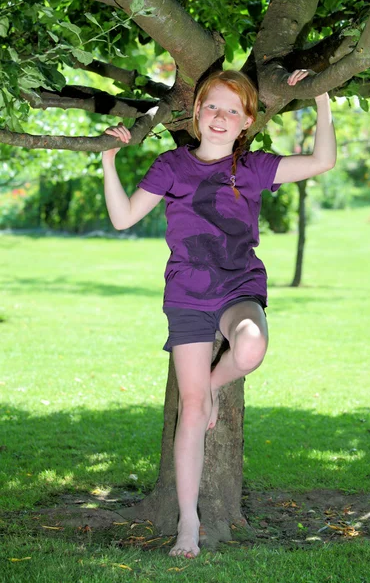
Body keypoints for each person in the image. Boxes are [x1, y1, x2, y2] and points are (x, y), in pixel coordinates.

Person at [102, 69, 336, 559]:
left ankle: (210, 384)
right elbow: (123, 217)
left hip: (238, 287)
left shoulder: (252, 167)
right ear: (197, 113)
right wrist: (108, 159)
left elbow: (322, 160)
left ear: (247, 121)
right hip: (187, 294)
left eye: (233, 110)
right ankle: (189, 522)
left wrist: (322, 97)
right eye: (213, 106)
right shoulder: (170, 166)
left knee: (250, 345)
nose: (221, 117)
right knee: (191, 413)